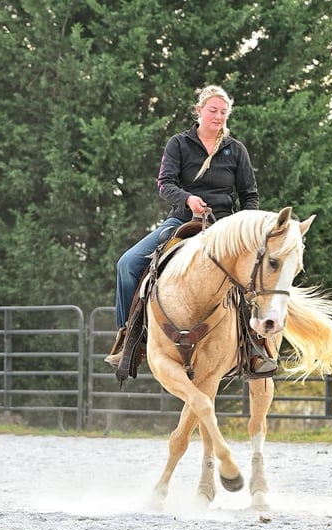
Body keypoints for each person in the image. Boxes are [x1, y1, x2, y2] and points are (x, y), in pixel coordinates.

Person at [106, 85, 275, 375]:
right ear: (199, 111)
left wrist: (244, 227)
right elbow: (165, 183)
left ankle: (255, 349)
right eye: (213, 110)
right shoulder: (179, 144)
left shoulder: (236, 150)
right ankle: (128, 338)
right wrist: (187, 198)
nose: (218, 116)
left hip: (225, 229)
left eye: (223, 112)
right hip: (183, 220)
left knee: (251, 279)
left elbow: (249, 195)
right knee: (128, 264)